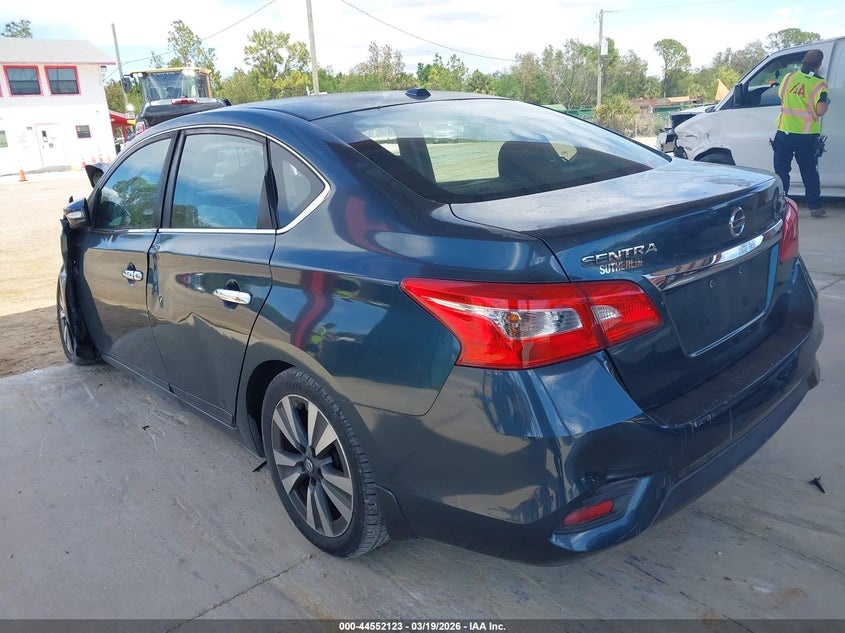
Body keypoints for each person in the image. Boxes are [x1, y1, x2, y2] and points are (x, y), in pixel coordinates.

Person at [772, 49, 830, 217]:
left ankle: (782, 206)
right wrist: (825, 105)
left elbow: (781, 95)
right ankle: (814, 206)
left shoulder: (788, 78)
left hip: (784, 132)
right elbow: (819, 110)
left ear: (803, 62)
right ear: (819, 65)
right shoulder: (819, 83)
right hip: (806, 135)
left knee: (782, 171)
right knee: (809, 171)